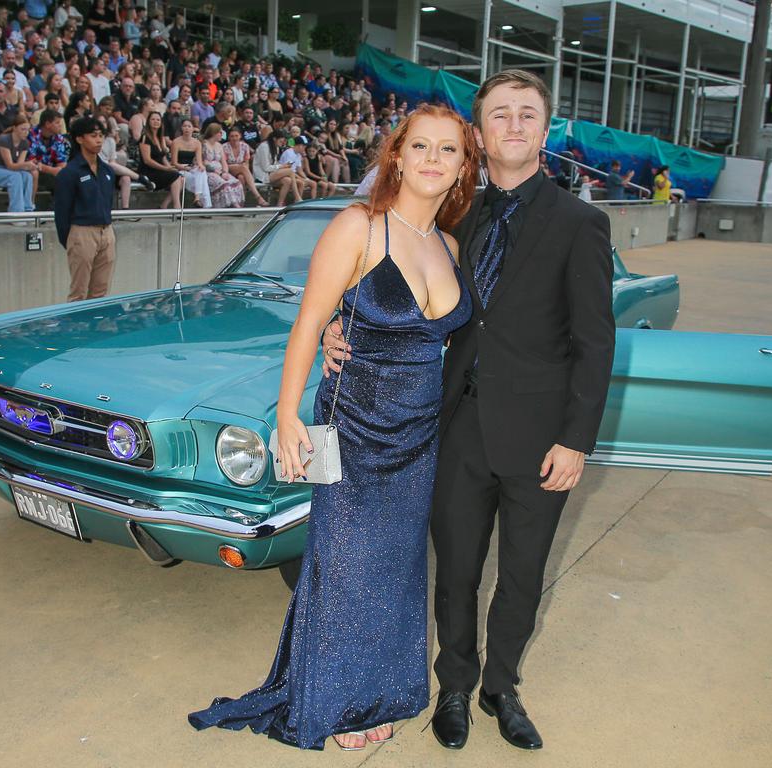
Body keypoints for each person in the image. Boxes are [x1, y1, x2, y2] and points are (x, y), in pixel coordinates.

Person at [323, 70, 616, 753]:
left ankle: (500, 687)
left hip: (541, 441)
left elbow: (595, 346)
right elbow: (395, 286)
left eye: (527, 114)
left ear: (545, 130)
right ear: (480, 136)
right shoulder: (454, 215)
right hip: (452, 430)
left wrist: (576, 440)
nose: (513, 125)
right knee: (453, 571)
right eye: (499, 116)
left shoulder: (581, 223)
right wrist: (343, 326)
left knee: (521, 575)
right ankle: (454, 684)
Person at [188, 102, 478, 751]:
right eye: (421, 147)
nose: (433, 160)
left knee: (398, 564)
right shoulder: (358, 227)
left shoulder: (448, 244)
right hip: (347, 421)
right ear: (397, 155)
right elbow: (306, 323)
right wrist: (288, 415)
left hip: (419, 433)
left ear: (463, 169)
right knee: (342, 560)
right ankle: (341, 699)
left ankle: (385, 688)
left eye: (448, 151)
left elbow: (450, 342)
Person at [54, 116, 116, 301]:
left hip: (106, 230)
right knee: (78, 292)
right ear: (80, 138)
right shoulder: (70, 173)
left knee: (100, 292)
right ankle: (75, 329)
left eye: (100, 135)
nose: (98, 140)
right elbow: (61, 212)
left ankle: (96, 329)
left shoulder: (107, 171)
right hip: (82, 231)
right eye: (93, 135)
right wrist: (71, 240)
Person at [0, 113, 36, 212]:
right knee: (15, 177)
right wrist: (26, 164)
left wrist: (30, 166)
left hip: (6, 170)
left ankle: (27, 209)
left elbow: (19, 165)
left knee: (27, 176)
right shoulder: (4, 140)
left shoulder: (25, 143)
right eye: (23, 129)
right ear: (14, 128)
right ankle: (16, 212)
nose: (26, 133)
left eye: (28, 130)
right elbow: (10, 165)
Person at [137, 109, 183, 208]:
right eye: (153, 119)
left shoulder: (159, 137)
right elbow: (147, 160)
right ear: (148, 121)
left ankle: (164, 205)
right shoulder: (145, 137)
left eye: (158, 120)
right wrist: (165, 169)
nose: (155, 121)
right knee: (175, 176)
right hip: (148, 171)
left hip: (159, 170)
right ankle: (177, 207)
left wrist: (170, 167)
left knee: (181, 178)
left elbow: (162, 157)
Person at [199, 121, 243, 208]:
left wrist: (225, 172)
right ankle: (234, 206)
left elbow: (223, 162)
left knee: (235, 182)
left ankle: (236, 204)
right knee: (223, 184)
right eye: (220, 133)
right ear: (214, 133)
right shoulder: (203, 144)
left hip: (221, 171)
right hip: (209, 172)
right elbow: (204, 162)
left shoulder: (219, 145)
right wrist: (219, 173)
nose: (221, 135)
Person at [222, 126, 267, 206]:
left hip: (241, 170)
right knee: (242, 168)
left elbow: (246, 162)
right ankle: (258, 196)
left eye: (236, 136)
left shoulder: (245, 146)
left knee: (241, 177)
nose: (234, 138)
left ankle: (241, 203)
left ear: (240, 136)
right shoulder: (224, 147)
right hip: (228, 169)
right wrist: (240, 166)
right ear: (229, 137)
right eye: (232, 136)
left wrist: (242, 167)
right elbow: (224, 163)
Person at [252, 128, 298, 206]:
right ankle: (297, 197)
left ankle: (279, 204)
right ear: (274, 139)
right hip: (262, 175)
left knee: (287, 180)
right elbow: (266, 168)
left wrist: (283, 166)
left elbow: (274, 163)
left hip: (271, 173)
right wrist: (282, 166)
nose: (282, 143)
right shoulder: (264, 147)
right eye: (281, 141)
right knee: (290, 170)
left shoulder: (275, 147)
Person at [27, 107, 68, 192]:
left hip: (52, 173)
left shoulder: (59, 138)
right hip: (33, 172)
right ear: (48, 124)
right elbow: (31, 161)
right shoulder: (31, 136)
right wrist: (51, 170)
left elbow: (62, 162)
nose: (60, 125)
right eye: (57, 123)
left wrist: (58, 170)